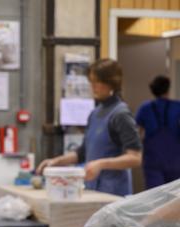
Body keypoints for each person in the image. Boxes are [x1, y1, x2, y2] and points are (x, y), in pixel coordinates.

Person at [37, 58, 142, 196]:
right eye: (91, 82)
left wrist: (101, 164)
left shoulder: (121, 114)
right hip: (92, 190)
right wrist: (56, 162)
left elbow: (135, 158)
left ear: (111, 82)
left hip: (113, 193)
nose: (93, 87)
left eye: (97, 82)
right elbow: (82, 153)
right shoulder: (95, 113)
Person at [135, 75, 180, 189]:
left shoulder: (145, 108)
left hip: (153, 159)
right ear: (168, 89)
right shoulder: (177, 106)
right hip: (175, 159)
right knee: (175, 197)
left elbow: (137, 132)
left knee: (155, 197)